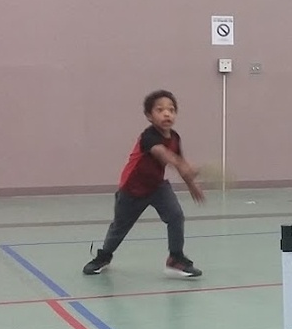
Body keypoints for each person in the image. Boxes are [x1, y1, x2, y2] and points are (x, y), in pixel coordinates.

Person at [83, 90, 206, 277]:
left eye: (171, 110)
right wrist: (184, 166)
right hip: (132, 189)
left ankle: (175, 258)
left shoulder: (175, 138)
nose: (167, 113)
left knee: (175, 216)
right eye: (160, 110)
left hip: (157, 186)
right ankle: (104, 256)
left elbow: (180, 162)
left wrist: (192, 184)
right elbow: (163, 154)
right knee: (120, 226)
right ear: (149, 116)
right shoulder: (149, 136)